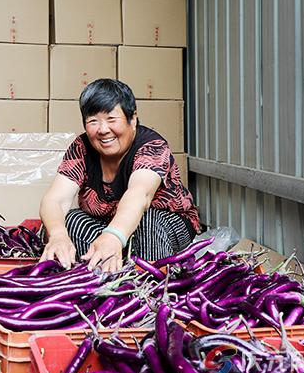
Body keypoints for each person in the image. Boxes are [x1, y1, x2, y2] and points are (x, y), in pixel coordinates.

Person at [39, 79, 200, 272]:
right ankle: (94, 284)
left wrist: (114, 236)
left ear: (132, 119)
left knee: (148, 221)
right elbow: (55, 199)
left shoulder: (152, 147)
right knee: (72, 220)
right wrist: (57, 235)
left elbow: (140, 195)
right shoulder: (81, 148)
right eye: (93, 121)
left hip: (164, 228)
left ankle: (149, 289)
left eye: (111, 119)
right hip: (111, 229)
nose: (103, 129)